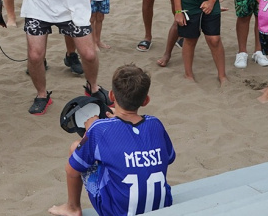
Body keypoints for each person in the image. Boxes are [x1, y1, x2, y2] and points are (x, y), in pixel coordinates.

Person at [48, 64, 175, 216]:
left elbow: (72, 171)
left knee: (76, 148)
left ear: (112, 96)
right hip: (162, 205)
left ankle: (72, 208)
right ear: (145, 100)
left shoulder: (99, 129)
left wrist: (90, 130)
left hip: (116, 211)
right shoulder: (155, 124)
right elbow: (169, 158)